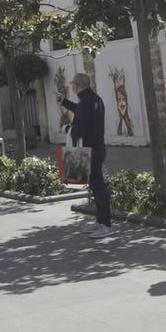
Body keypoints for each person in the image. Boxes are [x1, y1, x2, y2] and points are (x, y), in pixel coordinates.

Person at [60, 73, 111, 239]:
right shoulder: (94, 99)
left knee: (98, 188)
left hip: (91, 151)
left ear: (78, 85)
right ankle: (100, 222)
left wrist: (66, 129)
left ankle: (105, 224)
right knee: (97, 188)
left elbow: (78, 130)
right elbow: (81, 111)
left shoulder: (86, 103)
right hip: (97, 149)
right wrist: (65, 102)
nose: (72, 87)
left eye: (73, 84)